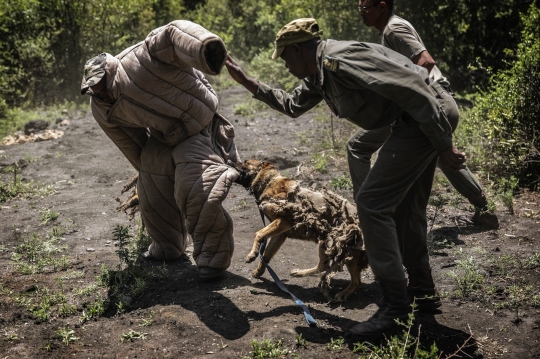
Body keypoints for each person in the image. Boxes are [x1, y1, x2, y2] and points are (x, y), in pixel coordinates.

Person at [225, 17, 466, 338]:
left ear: (298, 50)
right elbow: (292, 105)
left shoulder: (341, 61)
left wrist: (444, 144)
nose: (284, 65)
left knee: (371, 204)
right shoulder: (318, 74)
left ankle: (395, 307)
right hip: (415, 121)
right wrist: (246, 82)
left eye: (284, 57)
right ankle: (422, 292)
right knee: (407, 210)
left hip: (425, 116)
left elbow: (414, 90)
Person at [81, 20, 241, 280]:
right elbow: (132, 145)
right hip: (164, 137)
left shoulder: (140, 59)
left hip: (198, 125)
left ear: (111, 73)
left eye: (102, 87)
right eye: (94, 91)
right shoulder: (101, 106)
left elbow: (172, 33)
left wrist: (204, 47)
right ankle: (167, 248)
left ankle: (213, 259)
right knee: (151, 189)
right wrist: (150, 173)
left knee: (198, 190)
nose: (101, 95)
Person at [354, 0, 499, 229]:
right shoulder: (391, 28)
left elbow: (425, 62)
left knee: (362, 147)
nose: (361, 14)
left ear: (382, 6)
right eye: (359, 8)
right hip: (434, 102)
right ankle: (485, 211)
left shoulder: (394, 29)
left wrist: (411, 100)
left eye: (365, 8)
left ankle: (371, 215)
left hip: (432, 102)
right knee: (440, 155)